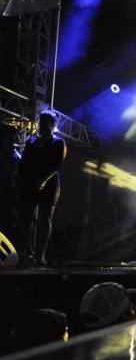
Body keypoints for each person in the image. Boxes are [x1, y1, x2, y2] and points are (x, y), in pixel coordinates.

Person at [15, 110, 67, 265]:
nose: (41, 126)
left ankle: (40, 255)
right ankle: (24, 251)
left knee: (45, 218)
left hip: (49, 183)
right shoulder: (32, 141)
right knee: (26, 217)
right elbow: (24, 162)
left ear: (52, 125)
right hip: (31, 182)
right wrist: (21, 178)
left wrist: (43, 180)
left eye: (45, 123)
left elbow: (57, 164)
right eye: (41, 122)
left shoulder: (58, 142)